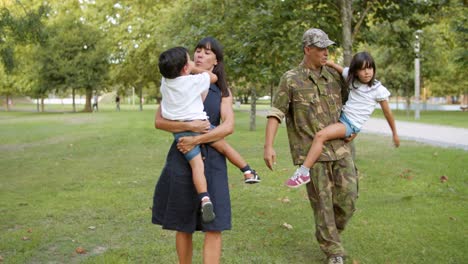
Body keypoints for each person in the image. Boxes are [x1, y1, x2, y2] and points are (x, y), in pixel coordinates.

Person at [152, 37, 250, 263]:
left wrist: (197, 139)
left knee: (213, 225)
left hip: (212, 161)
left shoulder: (222, 90)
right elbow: (159, 122)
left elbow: (228, 127)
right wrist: (189, 127)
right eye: (197, 51)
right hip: (182, 157)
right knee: (182, 224)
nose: (200, 55)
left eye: (207, 52)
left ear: (216, 60)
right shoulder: (176, 82)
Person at [263, 28, 357, 264]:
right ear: (307, 49)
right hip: (311, 155)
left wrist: (354, 129)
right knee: (323, 205)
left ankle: (328, 233)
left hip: (340, 149)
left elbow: (353, 106)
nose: (326, 52)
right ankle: (334, 252)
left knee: (348, 200)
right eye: (321, 48)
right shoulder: (291, 79)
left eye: (327, 48)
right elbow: (276, 113)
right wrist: (268, 146)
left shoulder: (335, 77)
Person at [285, 51, 400, 188]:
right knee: (321, 134)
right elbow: (338, 67)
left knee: (321, 136)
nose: (367, 72)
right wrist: (324, 62)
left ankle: (303, 172)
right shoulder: (352, 80)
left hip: (349, 124)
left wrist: (394, 134)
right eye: (362, 69)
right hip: (342, 119)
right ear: (355, 71)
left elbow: (388, 113)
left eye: (369, 68)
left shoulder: (378, 90)